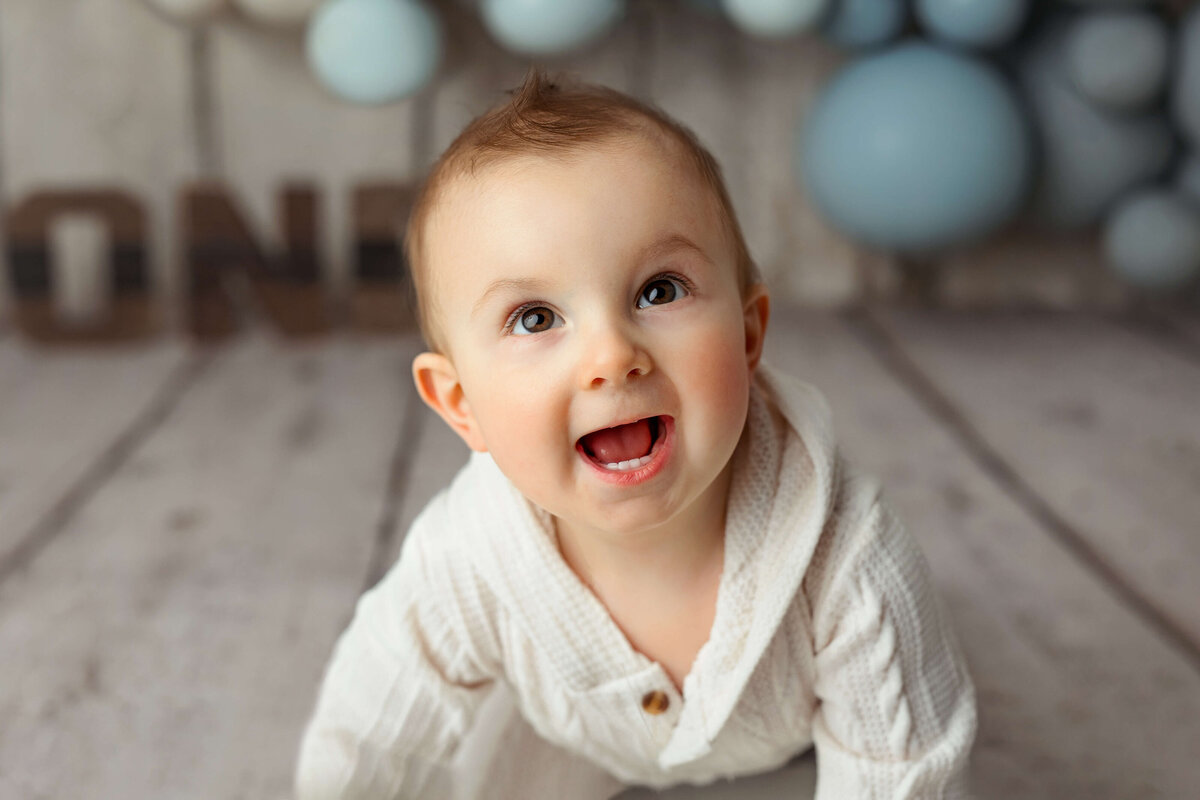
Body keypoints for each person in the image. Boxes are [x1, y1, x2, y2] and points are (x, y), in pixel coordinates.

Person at [295, 70, 976, 799]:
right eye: (535, 318)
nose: (612, 355)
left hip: (794, 741)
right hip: (577, 737)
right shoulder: (471, 558)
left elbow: (900, 770)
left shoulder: (846, 562)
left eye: (659, 291)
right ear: (461, 403)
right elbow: (372, 727)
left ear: (748, 337)